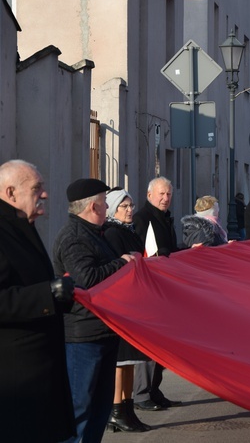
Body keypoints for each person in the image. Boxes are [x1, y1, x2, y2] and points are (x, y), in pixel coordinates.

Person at [53, 178, 136, 443]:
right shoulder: (74, 237)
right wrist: (121, 263)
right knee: (81, 409)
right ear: (92, 206)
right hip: (83, 336)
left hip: (103, 331)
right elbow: (87, 279)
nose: (106, 207)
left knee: (99, 410)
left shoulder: (94, 233)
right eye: (103, 202)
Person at [0, 160, 76, 442]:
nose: (45, 194)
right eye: (36, 188)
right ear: (10, 192)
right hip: (16, 382)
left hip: (41, 375)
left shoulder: (22, 223)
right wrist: (48, 294)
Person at [102, 188, 151, 432]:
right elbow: (117, 266)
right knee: (121, 361)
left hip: (134, 301)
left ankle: (129, 409)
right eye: (125, 206)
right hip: (121, 303)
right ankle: (117, 409)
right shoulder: (112, 233)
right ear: (113, 209)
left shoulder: (129, 231)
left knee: (133, 358)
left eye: (131, 206)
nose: (130, 210)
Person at [132, 176, 181, 411]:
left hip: (164, 289)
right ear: (149, 195)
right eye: (161, 194)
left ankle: (154, 388)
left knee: (162, 344)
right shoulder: (142, 218)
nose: (165, 198)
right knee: (148, 344)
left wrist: (190, 251)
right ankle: (142, 393)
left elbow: (169, 251)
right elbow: (143, 252)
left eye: (168, 194)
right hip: (148, 290)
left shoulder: (165, 218)